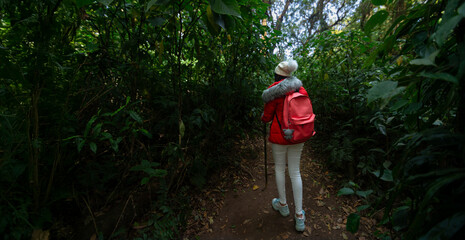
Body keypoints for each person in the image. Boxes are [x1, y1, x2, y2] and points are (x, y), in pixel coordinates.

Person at [261, 59, 308, 232]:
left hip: (279, 136)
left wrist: (263, 118)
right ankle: (299, 216)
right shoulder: (301, 89)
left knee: (280, 169)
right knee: (295, 172)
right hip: (298, 135)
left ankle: (283, 205)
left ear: (277, 75)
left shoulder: (273, 92)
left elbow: (266, 117)